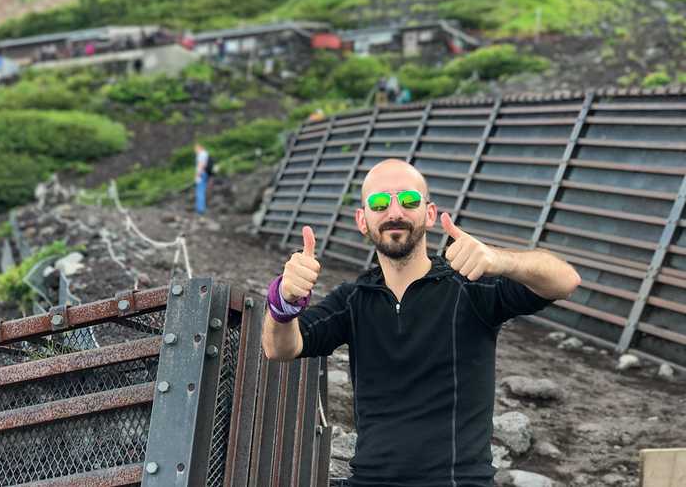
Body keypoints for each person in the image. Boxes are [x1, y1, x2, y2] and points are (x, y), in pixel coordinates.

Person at [261, 159, 581, 487]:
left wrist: (501, 260)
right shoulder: (352, 300)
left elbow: (565, 280)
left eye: (409, 200)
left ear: (429, 214)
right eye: (379, 203)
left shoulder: (469, 287)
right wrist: (284, 302)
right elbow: (281, 347)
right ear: (363, 220)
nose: (394, 212)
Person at [194, 142, 210, 215]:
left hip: (201, 174)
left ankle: (200, 209)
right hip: (205, 174)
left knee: (200, 191)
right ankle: (201, 208)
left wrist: (197, 175)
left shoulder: (201, 154)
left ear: (200, 147)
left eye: (196, 148)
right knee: (202, 191)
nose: (195, 150)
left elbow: (201, 164)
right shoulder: (206, 154)